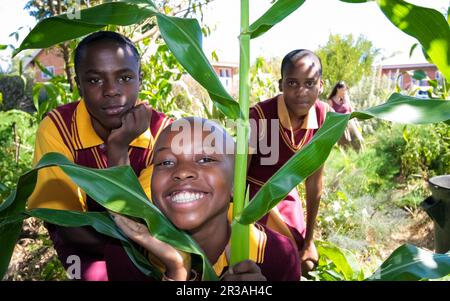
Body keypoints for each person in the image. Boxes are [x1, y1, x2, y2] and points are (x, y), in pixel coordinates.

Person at [28, 31, 172, 280]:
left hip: (155, 249)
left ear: (140, 79)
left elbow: (146, 221)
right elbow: (67, 223)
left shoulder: (162, 132)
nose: (111, 91)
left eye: (125, 77)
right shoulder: (59, 128)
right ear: (79, 85)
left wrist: (117, 150)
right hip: (85, 248)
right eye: (95, 81)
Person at [112, 117, 301, 281]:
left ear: (235, 183)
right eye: (166, 162)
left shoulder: (277, 255)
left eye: (205, 159)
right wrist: (177, 270)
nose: (183, 172)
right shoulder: (127, 251)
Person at [247, 49, 333, 276]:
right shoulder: (258, 116)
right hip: (254, 197)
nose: (301, 92)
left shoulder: (324, 116)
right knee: (273, 259)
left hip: (286, 195)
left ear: (321, 85)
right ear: (280, 85)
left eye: (310, 83)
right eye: (292, 83)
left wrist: (309, 240)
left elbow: (315, 181)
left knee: (306, 262)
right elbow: (237, 178)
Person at [327, 81, 364, 150]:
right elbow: (330, 115)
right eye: (343, 89)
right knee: (345, 145)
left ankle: (362, 156)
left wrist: (356, 121)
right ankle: (349, 158)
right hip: (339, 125)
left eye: (345, 90)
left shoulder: (346, 98)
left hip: (350, 123)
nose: (345, 91)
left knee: (358, 140)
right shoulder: (330, 101)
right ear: (338, 89)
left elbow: (351, 109)